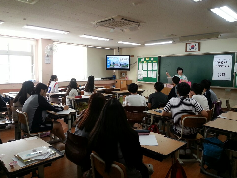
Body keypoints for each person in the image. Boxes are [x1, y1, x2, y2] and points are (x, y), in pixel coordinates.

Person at [89, 98, 151, 178]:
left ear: (102, 115)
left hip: (104, 173)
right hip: (126, 173)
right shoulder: (130, 135)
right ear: (123, 115)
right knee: (149, 168)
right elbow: (138, 162)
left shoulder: (96, 133)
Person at [162, 82, 208, 154]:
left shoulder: (172, 100)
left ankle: (180, 147)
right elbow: (205, 114)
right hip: (193, 133)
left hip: (179, 132)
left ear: (177, 92)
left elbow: (163, 113)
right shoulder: (193, 101)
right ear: (189, 91)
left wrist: (174, 113)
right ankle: (188, 148)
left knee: (171, 128)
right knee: (188, 126)